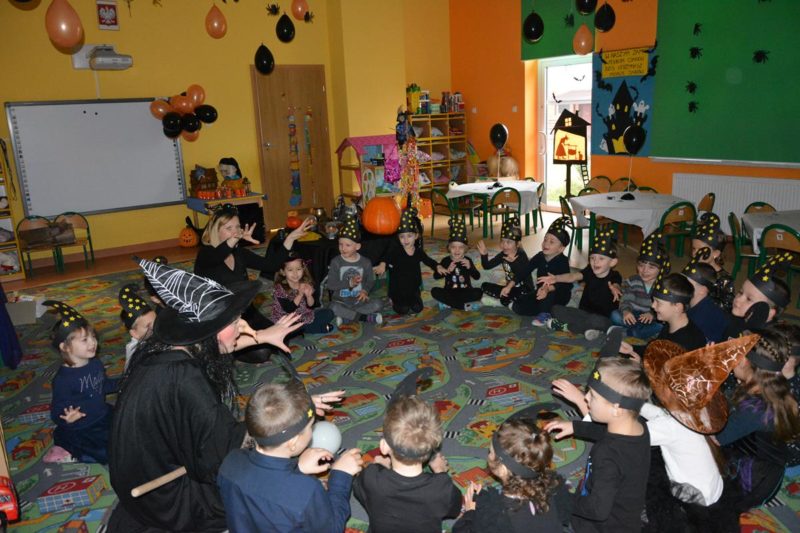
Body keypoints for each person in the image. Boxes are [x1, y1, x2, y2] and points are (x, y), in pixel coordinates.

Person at [108, 258, 342, 532]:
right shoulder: (186, 380)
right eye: (234, 321)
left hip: (138, 478)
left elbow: (212, 348)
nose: (243, 326)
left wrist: (263, 336)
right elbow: (219, 455)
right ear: (207, 331)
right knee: (254, 489)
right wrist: (289, 419)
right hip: (164, 497)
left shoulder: (166, 350)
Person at [639, 336, 760, 531]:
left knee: (644, 473)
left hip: (695, 496)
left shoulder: (670, 426)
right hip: (713, 488)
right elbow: (661, 415)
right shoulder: (697, 411)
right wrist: (635, 404)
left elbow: (629, 435)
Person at [217, 381, 363, 532]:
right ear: (293, 442)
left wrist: (297, 468)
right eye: (310, 427)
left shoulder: (231, 461)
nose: (312, 431)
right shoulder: (306, 490)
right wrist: (340, 476)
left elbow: (266, 489)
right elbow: (332, 528)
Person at [546, 357, 652, 532]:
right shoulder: (638, 425)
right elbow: (605, 433)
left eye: (593, 396)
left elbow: (597, 510)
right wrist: (575, 426)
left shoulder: (607, 455)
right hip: (625, 514)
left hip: (602, 527)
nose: (586, 398)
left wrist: (564, 500)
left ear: (616, 409)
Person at [710, 328, 800, 531]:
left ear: (743, 362)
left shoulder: (754, 409)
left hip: (754, 478)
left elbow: (715, 438)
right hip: (768, 464)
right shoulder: (772, 386)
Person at [194, 202, 313, 330]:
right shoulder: (206, 254)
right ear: (215, 231)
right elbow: (219, 255)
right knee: (263, 342)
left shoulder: (239, 253)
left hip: (244, 313)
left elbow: (271, 265)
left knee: (284, 333)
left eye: (237, 227)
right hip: (219, 318)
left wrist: (290, 238)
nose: (235, 232)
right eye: (229, 228)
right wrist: (236, 238)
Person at [353, 396, 462, 533]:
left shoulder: (371, 477)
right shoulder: (441, 487)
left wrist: (380, 467)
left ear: (384, 447)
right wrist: (440, 471)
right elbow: (455, 509)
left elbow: (359, 492)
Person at [453, 408, 571, 532]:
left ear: (503, 469)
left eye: (491, 452)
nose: (488, 455)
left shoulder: (495, 516)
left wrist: (470, 513)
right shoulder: (555, 486)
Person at [44, 301, 118, 465]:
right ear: (65, 347)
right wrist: (68, 419)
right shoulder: (63, 380)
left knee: (131, 430)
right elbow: (56, 411)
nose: (93, 342)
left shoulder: (95, 363)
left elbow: (102, 385)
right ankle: (70, 452)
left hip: (103, 415)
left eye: (93, 336)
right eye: (85, 340)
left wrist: (123, 383)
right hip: (83, 426)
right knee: (110, 453)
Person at [540, 226, 622, 340]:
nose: (595, 262)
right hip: (583, 313)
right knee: (555, 309)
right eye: (592, 258)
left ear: (612, 262)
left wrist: (615, 288)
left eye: (601, 259)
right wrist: (556, 278)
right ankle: (587, 329)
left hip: (602, 318)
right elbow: (573, 276)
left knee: (600, 322)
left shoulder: (615, 276)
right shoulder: (589, 271)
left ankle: (567, 327)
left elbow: (616, 285)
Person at [619, 273, 707, 360]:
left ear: (677, 307)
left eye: (658, 302)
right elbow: (653, 350)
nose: (653, 305)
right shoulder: (670, 325)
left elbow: (663, 367)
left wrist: (640, 365)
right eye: (654, 301)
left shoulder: (685, 344)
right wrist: (631, 349)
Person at [374, 206, 439, 315]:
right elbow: (387, 257)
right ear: (398, 238)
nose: (406, 240)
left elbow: (428, 260)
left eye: (409, 236)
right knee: (403, 310)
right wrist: (382, 264)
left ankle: (413, 298)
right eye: (402, 237)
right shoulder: (396, 251)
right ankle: (392, 300)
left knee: (418, 308)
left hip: (413, 288)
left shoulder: (418, 251)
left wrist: (437, 266)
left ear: (416, 236)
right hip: (398, 289)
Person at [511, 216, 573, 322]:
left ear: (561, 248)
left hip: (558, 294)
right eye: (545, 239)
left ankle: (545, 314)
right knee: (518, 306)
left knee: (547, 298)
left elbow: (565, 285)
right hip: (540, 292)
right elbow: (526, 270)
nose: (546, 244)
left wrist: (547, 289)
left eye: (551, 242)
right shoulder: (540, 256)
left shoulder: (563, 262)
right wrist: (512, 283)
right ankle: (546, 310)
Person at [328, 214, 383, 327]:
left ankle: (347, 317)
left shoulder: (365, 262)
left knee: (378, 304)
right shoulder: (336, 262)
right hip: (341, 301)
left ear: (357, 246)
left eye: (347, 245)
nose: (343, 248)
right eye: (340, 244)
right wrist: (348, 283)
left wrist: (365, 291)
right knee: (332, 307)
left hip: (359, 301)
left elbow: (370, 280)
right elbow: (331, 285)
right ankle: (364, 317)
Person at [724, 251, 793, 339]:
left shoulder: (764, 342)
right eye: (741, 292)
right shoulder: (737, 318)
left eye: (749, 299)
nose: (738, 299)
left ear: (768, 313)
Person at [611, 231, 666, 340]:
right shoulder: (633, 280)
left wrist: (652, 315)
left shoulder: (663, 285)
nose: (644, 271)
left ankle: (630, 332)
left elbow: (665, 307)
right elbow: (625, 299)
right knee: (615, 315)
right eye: (641, 266)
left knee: (662, 325)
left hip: (652, 317)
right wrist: (626, 311)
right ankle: (638, 332)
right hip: (633, 314)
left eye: (651, 267)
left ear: (661, 269)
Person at [270, 252, 335, 334]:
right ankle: (307, 329)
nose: (295, 273)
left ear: (303, 269)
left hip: (303, 315)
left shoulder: (305, 283)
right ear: (283, 272)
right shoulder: (279, 289)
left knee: (329, 313)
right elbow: (288, 309)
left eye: (298, 269)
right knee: (290, 327)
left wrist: (309, 296)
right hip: (286, 320)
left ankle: (305, 329)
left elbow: (311, 306)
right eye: (290, 270)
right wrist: (300, 294)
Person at [477, 216, 533, 308]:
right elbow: (487, 266)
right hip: (509, 289)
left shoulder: (522, 256)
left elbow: (521, 275)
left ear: (517, 244)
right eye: (502, 241)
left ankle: (504, 300)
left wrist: (514, 263)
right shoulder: (503, 254)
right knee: (484, 286)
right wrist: (484, 255)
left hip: (524, 288)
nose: (504, 245)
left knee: (507, 298)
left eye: (508, 242)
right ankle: (506, 298)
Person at [430, 217, 482, 311]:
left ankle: (450, 304)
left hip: (466, 291)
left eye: (461, 247)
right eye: (453, 247)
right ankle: (461, 306)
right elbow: (436, 276)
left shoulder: (467, 260)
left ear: (465, 249)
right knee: (434, 291)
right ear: (449, 248)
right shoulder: (445, 261)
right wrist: (447, 270)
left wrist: (470, 267)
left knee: (479, 292)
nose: (457, 250)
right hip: (450, 291)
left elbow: (477, 276)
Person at [682, 248, 729, 343]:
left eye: (687, 283)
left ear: (703, 290)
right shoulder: (690, 302)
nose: (681, 285)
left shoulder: (703, 316)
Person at [691, 212, 735, 312]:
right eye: (693, 249)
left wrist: (702, 299)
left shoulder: (724, 279)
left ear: (716, 253)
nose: (695, 253)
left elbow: (727, 305)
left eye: (701, 250)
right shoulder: (693, 268)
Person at [117, 283, 156, 370]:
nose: (156, 327)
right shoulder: (135, 352)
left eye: (156, 321)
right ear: (134, 333)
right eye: (148, 326)